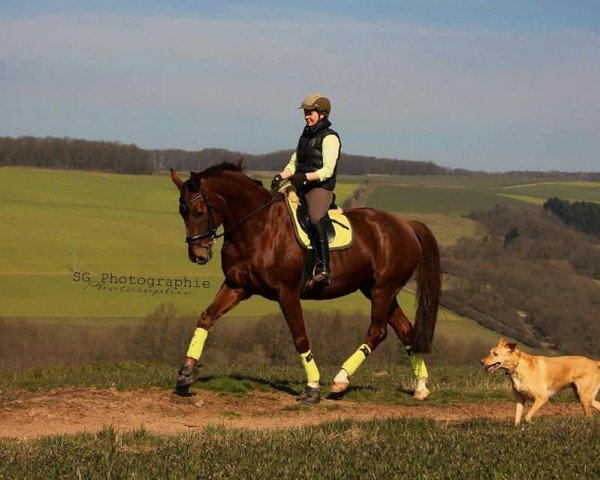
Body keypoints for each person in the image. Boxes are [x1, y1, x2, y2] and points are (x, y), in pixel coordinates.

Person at [271, 93, 341, 286]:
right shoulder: (305, 135)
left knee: (315, 217)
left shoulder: (330, 138)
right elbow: (294, 163)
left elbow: (327, 170)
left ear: (323, 114)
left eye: (310, 113)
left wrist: (305, 177)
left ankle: (324, 267)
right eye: (306, 113)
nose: (307, 116)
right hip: (301, 184)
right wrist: (281, 176)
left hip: (319, 188)